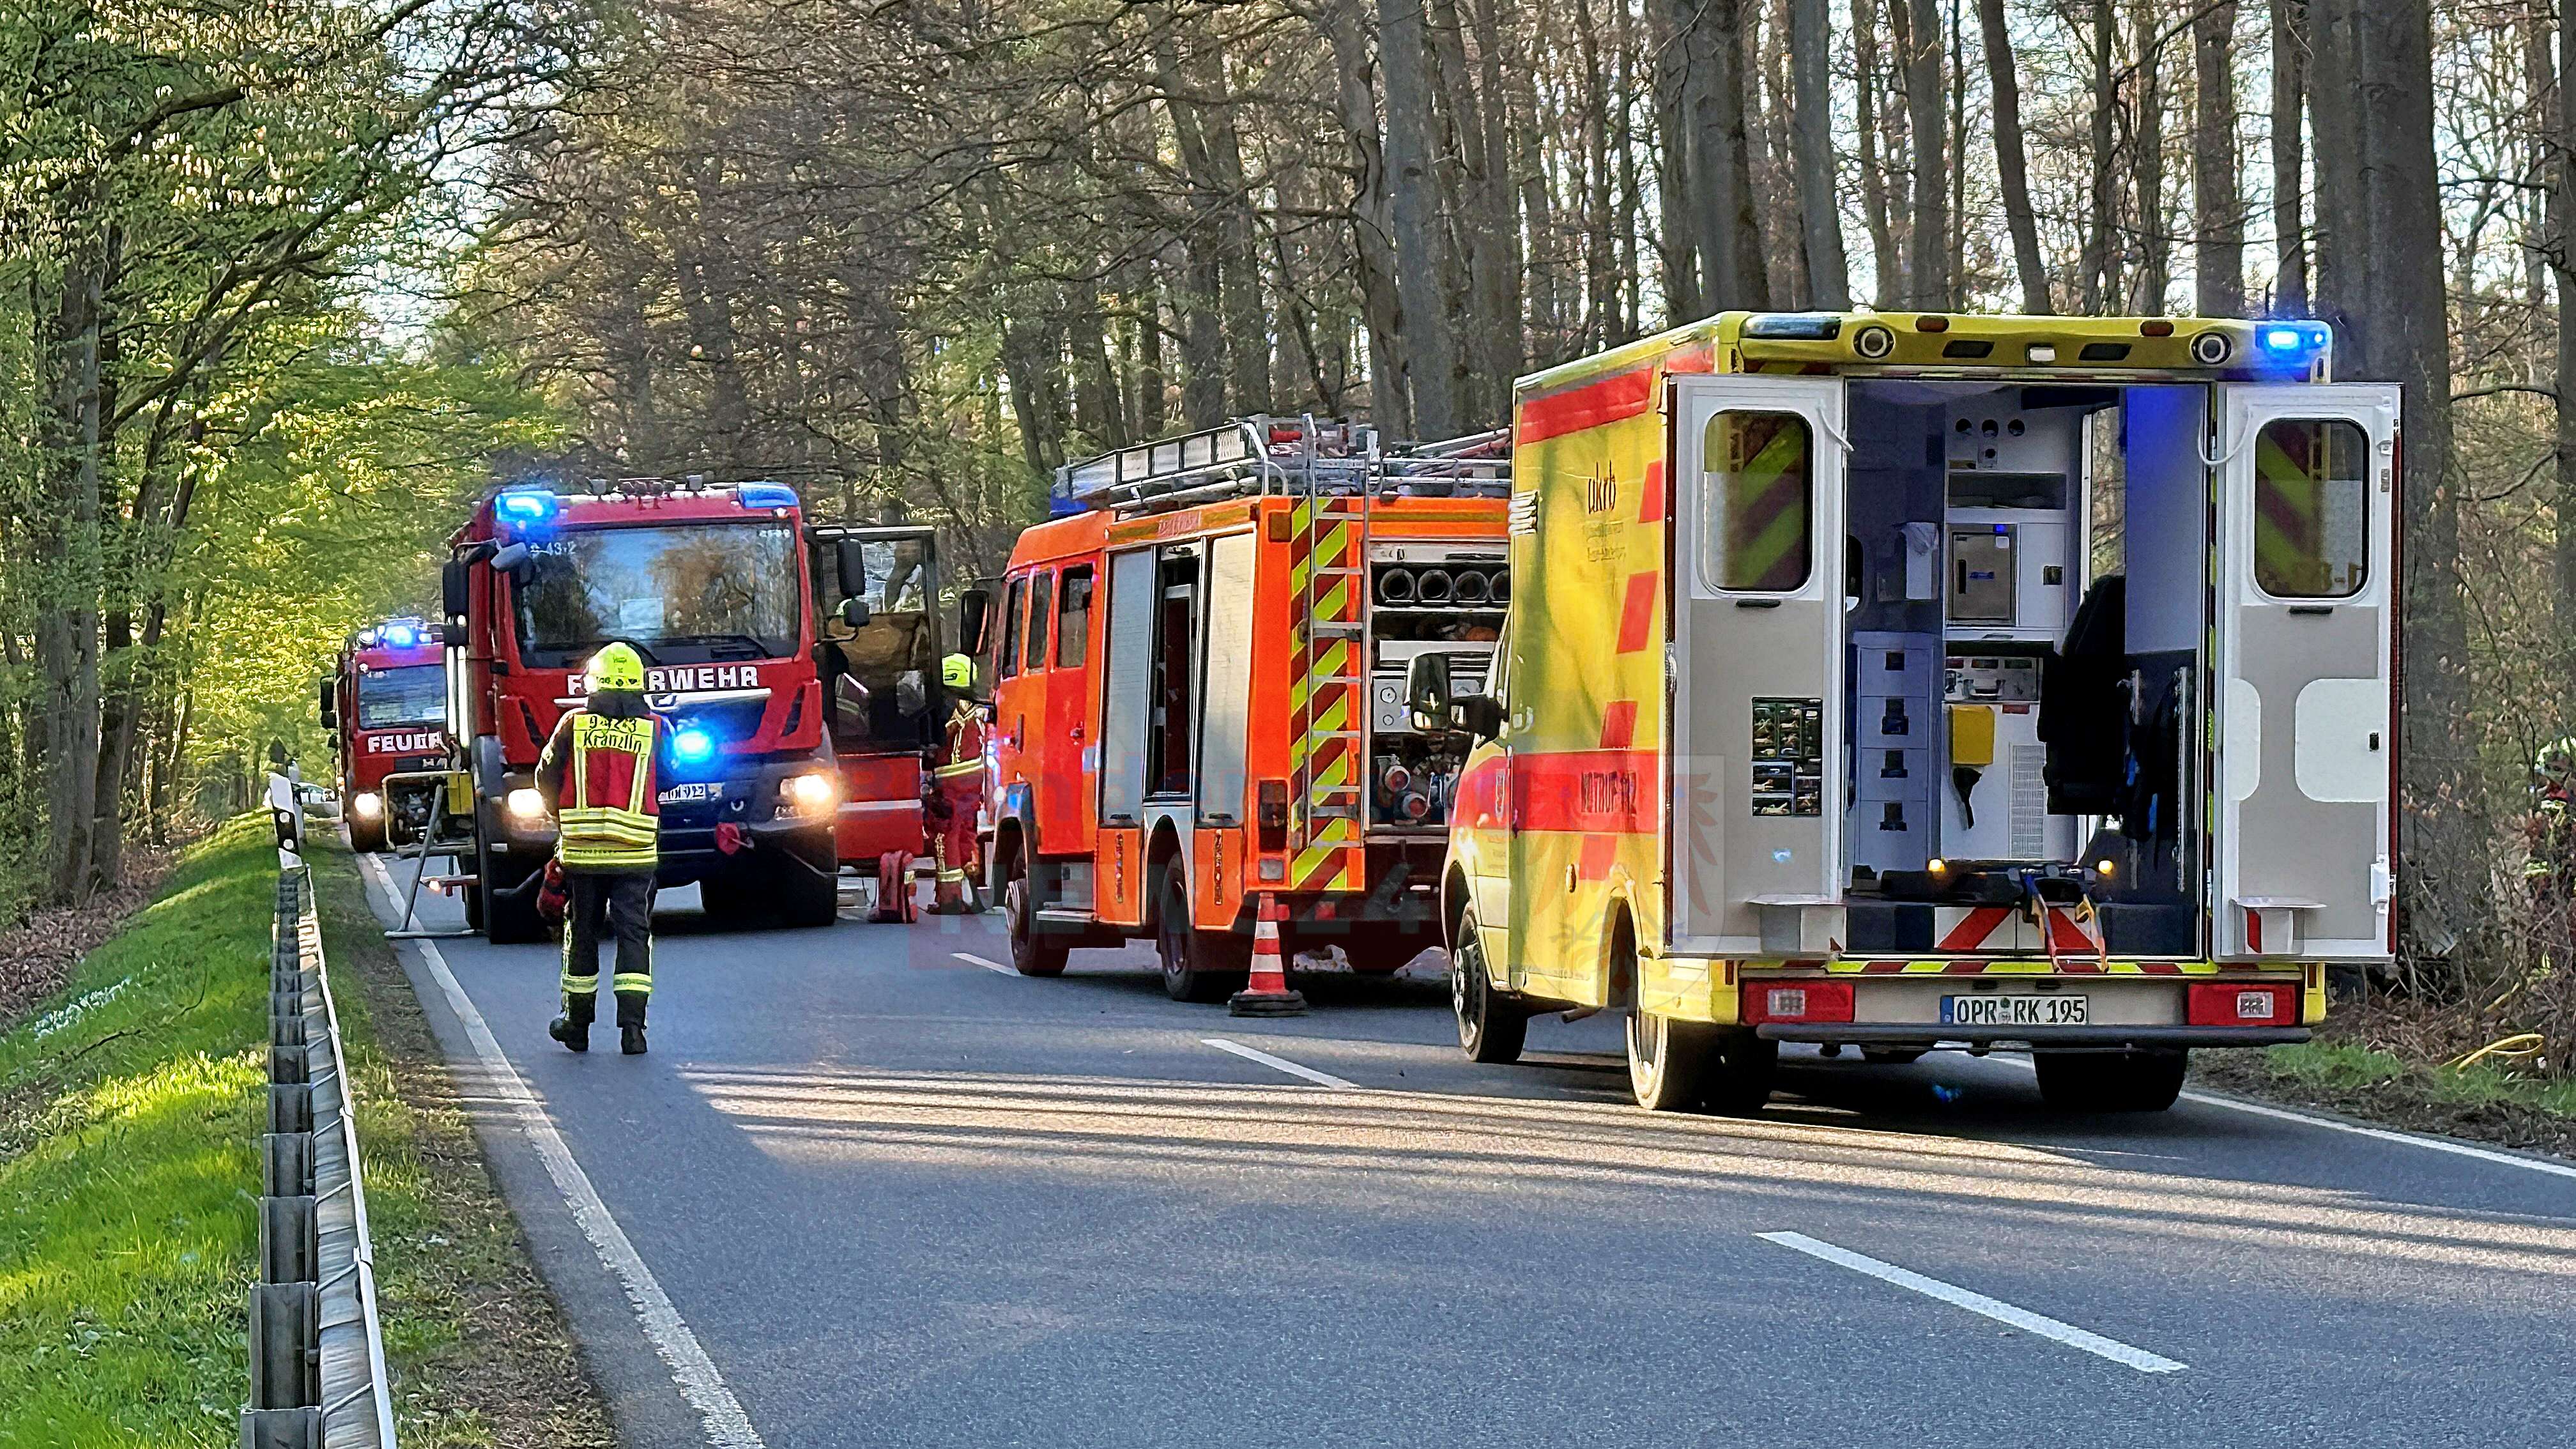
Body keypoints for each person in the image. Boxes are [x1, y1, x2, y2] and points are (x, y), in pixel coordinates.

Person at [537, 641, 661, 1054]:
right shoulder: (657, 728)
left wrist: (565, 818)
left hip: (584, 855)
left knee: (583, 937)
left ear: (593, 683)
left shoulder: (573, 725)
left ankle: (577, 1024)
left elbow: (545, 777)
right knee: (633, 936)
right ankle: (633, 1031)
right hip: (636, 855)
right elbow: (674, 776)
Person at [926, 652, 985, 914]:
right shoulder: (977, 705)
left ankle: (950, 899)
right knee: (966, 834)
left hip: (950, 780)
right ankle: (973, 893)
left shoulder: (950, 706)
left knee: (944, 834)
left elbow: (939, 739)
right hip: (975, 780)